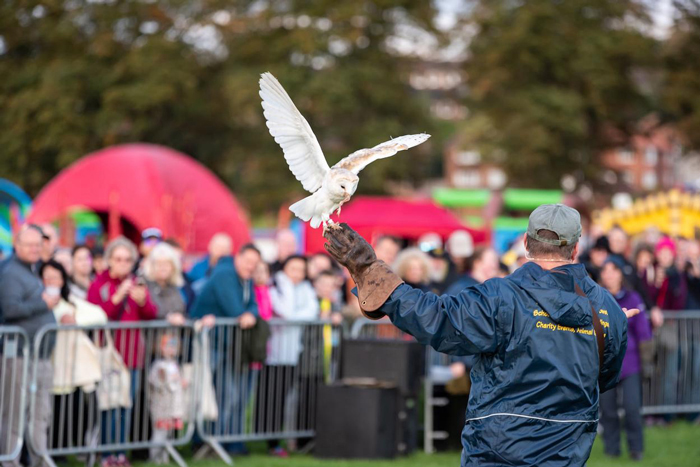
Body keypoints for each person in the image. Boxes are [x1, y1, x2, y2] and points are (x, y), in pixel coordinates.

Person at [323, 204, 635, 467]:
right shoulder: (607, 308)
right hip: (567, 449)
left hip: (499, 447)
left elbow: (437, 319)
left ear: (526, 244)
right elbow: (604, 377)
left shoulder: (502, 296)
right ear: (577, 247)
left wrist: (367, 269)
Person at [87, 236, 158, 467]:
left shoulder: (138, 283)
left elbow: (151, 314)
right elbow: (96, 315)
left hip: (133, 355)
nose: (123, 264)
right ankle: (107, 454)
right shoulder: (99, 284)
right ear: (109, 260)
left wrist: (143, 301)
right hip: (109, 356)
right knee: (109, 406)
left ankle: (120, 454)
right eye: (118, 259)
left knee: (126, 405)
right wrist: (117, 297)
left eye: (128, 260)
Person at [189, 244, 261, 455]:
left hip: (226, 344)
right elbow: (235, 308)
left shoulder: (245, 278)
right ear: (237, 257)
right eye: (248, 261)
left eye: (255, 264)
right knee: (207, 394)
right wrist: (245, 314)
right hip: (209, 344)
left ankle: (219, 440)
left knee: (227, 394)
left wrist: (250, 315)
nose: (251, 267)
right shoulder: (225, 274)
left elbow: (253, 306)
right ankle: (202, 441)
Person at [0, 225, 58, 467]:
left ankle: (39, 459)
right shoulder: (10, 272)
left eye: (38, 244)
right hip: (19, 354)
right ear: (17, 244)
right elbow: (10, 310)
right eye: (30, 244)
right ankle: (10, 461)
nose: (35, 249)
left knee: (39, 412)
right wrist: (43, 304)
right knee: (13, 413)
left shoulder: (29, 269)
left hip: (38, 353)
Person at [598, 257, 652, 461]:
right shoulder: (598, 298)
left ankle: (636, 449)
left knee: (631, 409)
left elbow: (644, 332)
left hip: (630, 365)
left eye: (613, 270)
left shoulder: (633, 298)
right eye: (605, 270)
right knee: (608, 411)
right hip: (605, 365)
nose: (609, 274)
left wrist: (647, 363)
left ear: (621, 273)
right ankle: (612, 450)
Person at [266, 255, 320, 455]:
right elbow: (286, 312)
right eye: (292, 269)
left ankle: (287, 440)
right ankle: (271, 443)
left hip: (294, 354)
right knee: (273, 400)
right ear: (284, 269)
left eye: (301, 270)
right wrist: (283, 282)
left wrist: (294, 319)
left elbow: (312, 311)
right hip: (274, 354)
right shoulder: (277, 286)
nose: (297, 274)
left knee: (289, 400)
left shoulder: (306, 289)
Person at [148, 334, 187, 465]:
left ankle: (164, 458)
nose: (171, 349)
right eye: (168, 346)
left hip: (173, 406)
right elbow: (155, 381)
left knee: (168, 434)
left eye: (174, 346)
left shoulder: (175, 365)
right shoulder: (158, 365)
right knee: (159, 433)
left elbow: (177, 381)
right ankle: (154, 457)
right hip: (161, 406)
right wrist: (162, 378)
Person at [142, 243, 186, 322]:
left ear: (173, 267)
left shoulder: (174, 287)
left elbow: (182, 309)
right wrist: (169, 318)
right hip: (151, 333)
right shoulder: (144, 285)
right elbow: (150, 311)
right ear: (152, 266)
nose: (163, 268)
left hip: (174, 333)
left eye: (167, 264)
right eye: (159, 264)